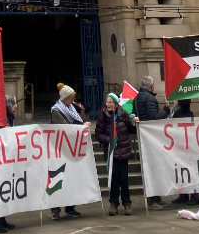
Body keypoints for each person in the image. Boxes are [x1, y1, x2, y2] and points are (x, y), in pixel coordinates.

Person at [49, 85, 89, 220]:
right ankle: (55, 210)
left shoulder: (72, 108)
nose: (73, 99)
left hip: (72, 149)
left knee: (72, 179)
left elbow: (82, 120)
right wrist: (80, 127)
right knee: (59, 178)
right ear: (65, 97)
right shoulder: (56, 111)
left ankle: (70, 207)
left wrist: (81, 110)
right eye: (71, 97)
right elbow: (63, 128)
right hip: (60, 150)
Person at [95, 93, 138, 215]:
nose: (107, 104)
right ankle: (113, 204)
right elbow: (98, 134)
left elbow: (131, 129)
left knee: (124, 179)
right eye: (107, 102)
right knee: (113, 179)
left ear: (116, 103)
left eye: (110, 102)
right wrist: (110, 140)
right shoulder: (103, 116)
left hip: (123, 152)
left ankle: (127, 204)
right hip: (111, 152)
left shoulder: (123, 114)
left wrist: (134, 121)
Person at [134, 76, 169, 210]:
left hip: (143, 136)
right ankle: (152, 199)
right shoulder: (150, 98)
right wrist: (165, 110)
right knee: (153, 168)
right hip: (151, 138)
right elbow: (154, 117)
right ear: (151, 86)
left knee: (151, 167)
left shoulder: (137, 97)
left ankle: (156, 197)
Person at [0, 94, 18, 234]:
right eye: (14, 103)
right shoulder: (0, 119)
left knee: (5, 189)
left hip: (6, 158)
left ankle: (2, 220)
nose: (16, 106)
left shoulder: (8, 117)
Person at [167, 100, 199, 206]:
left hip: (186, 147)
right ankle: (184, 195)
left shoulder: (184, 114)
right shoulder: (182, 112)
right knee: (182, 170)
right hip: (181, 146)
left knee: (189, 171)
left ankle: (194, 196)